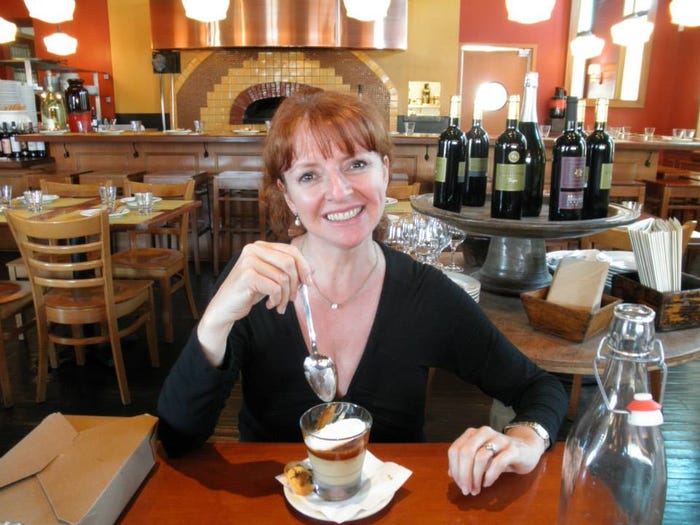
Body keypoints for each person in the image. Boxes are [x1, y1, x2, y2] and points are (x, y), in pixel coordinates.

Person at [157, 90, 567, 497]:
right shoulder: (256, 287)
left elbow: (538, 387)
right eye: (309, 175)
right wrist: (215, 320)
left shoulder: (425, 295)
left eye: (356, 164)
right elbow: (177, 439)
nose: (339, 191)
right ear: (288, 195)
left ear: (384, 172)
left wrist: (527, 438)